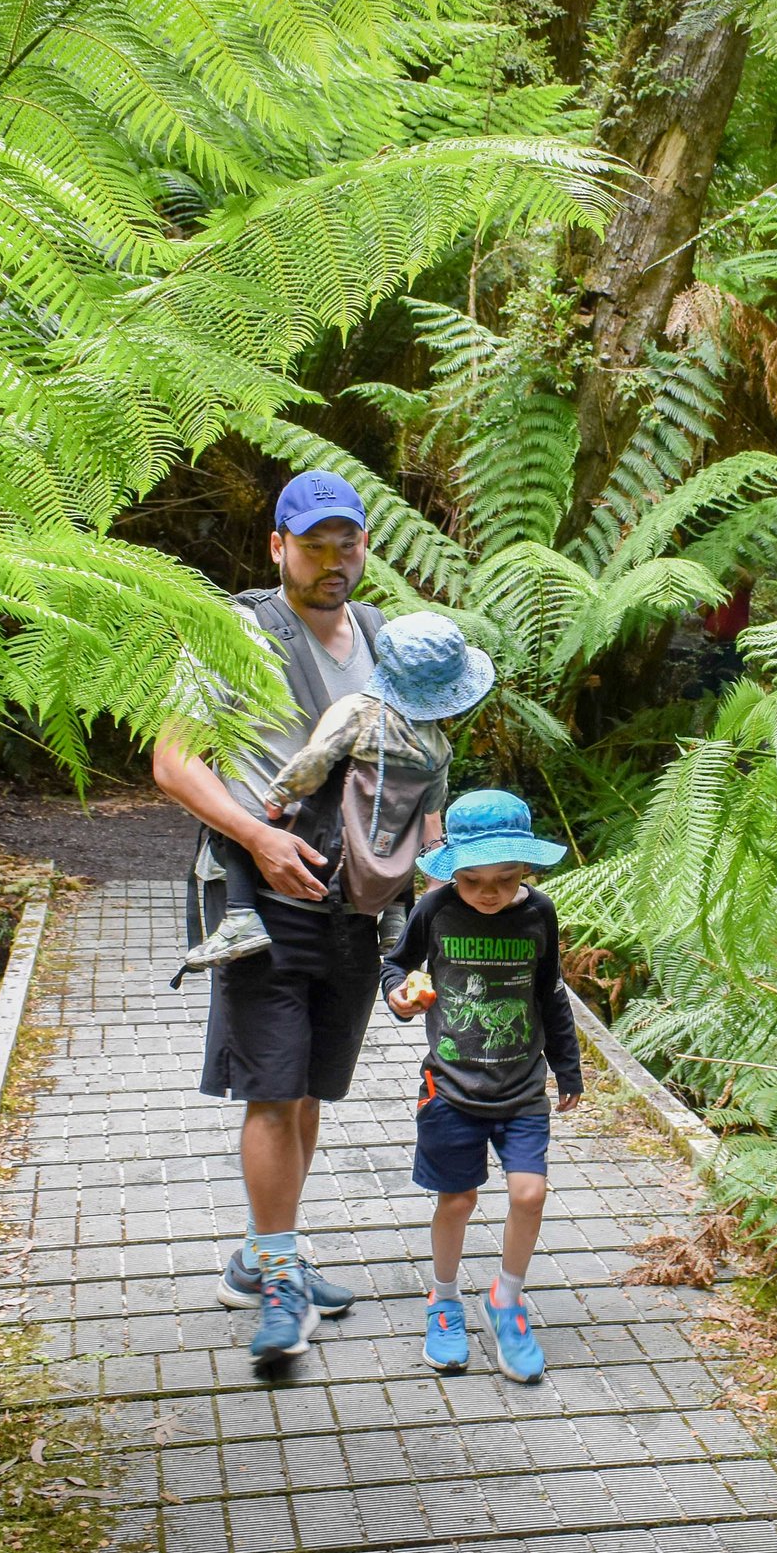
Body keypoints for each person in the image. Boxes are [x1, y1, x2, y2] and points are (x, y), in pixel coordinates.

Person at [154, 469, 436, 1371]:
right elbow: (173, 762)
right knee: (271, 1088)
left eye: (345, 541)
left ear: (365, 545)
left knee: (312, 1084)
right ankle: (277, 1276)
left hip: (354, 903)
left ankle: (264, 1251)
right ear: (278, 546)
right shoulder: (234, 634)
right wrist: (257, 840)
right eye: (312, 543)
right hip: (264, 898)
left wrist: (426, 875)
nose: (331, 558)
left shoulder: (389, 640)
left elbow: (420, 757)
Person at [379, 790, 581, 1382]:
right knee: (458, 1201)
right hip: (450, 1088)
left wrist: (567, 1068)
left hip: (521, 1088)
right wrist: (400, 995)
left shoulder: (538, 913)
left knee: (529, 1194)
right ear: (452, 873)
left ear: (525, 871)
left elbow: (551, 993)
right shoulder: (435, 910)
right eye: (472, 880)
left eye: (505, 877)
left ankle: (507, 1300)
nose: (487, 893)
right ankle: (443, 1300)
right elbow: (396, 964)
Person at [199, 610, 492, 963]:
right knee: (403, 827)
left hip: (335, 841)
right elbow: (432, 802)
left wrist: (279, 795)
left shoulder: (358, 712)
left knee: (242, 812)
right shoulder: (438, 748)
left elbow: (316, 759)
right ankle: (395, 920)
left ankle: (241, 916)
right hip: (387, 855)